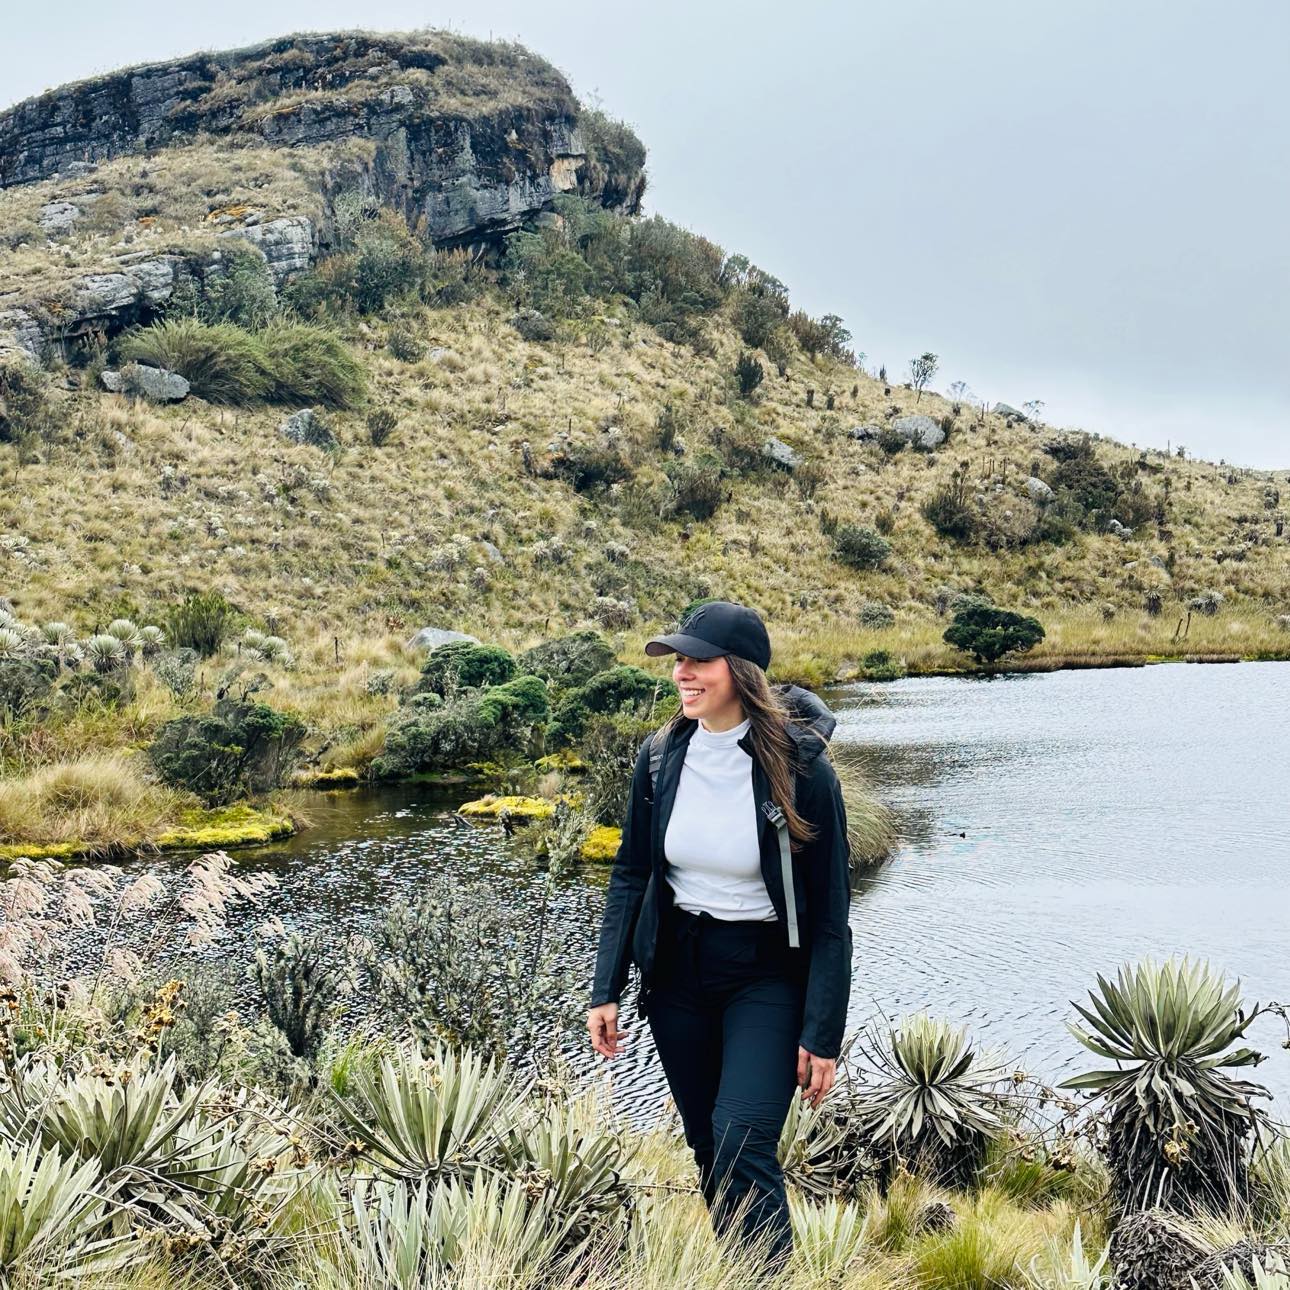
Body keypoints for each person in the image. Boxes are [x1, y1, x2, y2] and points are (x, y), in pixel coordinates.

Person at [587, 599, 853, 1273]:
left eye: (697, 660)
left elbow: (829, 915)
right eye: (677, 660)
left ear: (739, 671)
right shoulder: (659, 759)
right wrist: (605, 988)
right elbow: (632, 875)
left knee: (743, 1140)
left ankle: (771, 1279)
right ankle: (743, 1270)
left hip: (765, 976)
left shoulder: (802, 769)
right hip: (679, 976)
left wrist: (822, 1034)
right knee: (708, 1145)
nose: (682, 672)